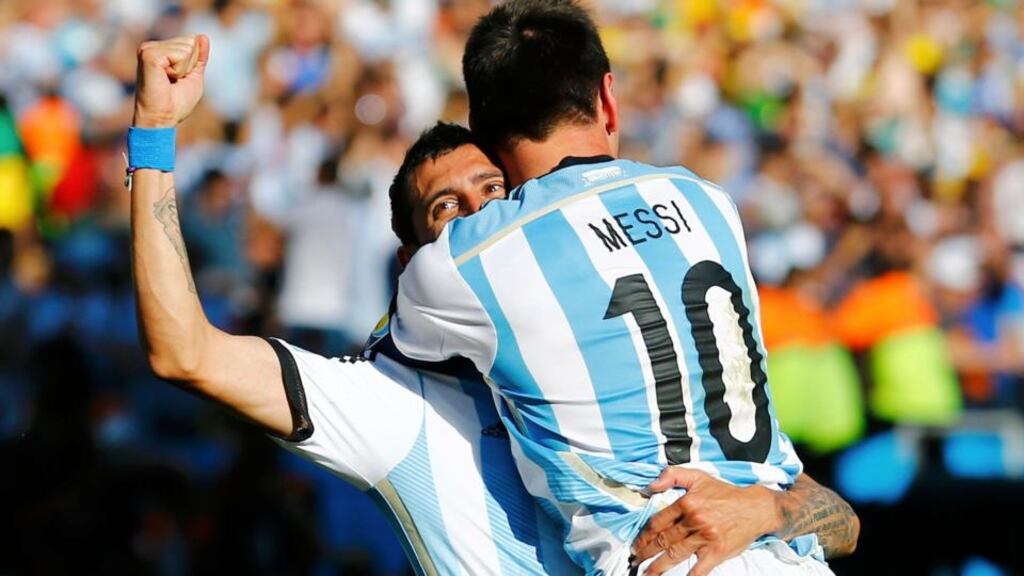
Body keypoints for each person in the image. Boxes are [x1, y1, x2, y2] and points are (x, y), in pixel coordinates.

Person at [127, 34, 856, 575]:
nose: (481, 219)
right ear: (415, 265)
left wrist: (766, 510)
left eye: (495, 192)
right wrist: (154, 140)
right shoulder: (393, 407)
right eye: (448, 208)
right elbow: (184, 352)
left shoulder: (622, 379)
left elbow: (840, 520)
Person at [384, 1, 850, 574]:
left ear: (484, 136)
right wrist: (768, 510)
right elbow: (841, 522)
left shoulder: (465, 257)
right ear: (607, 98)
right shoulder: (709, 203)